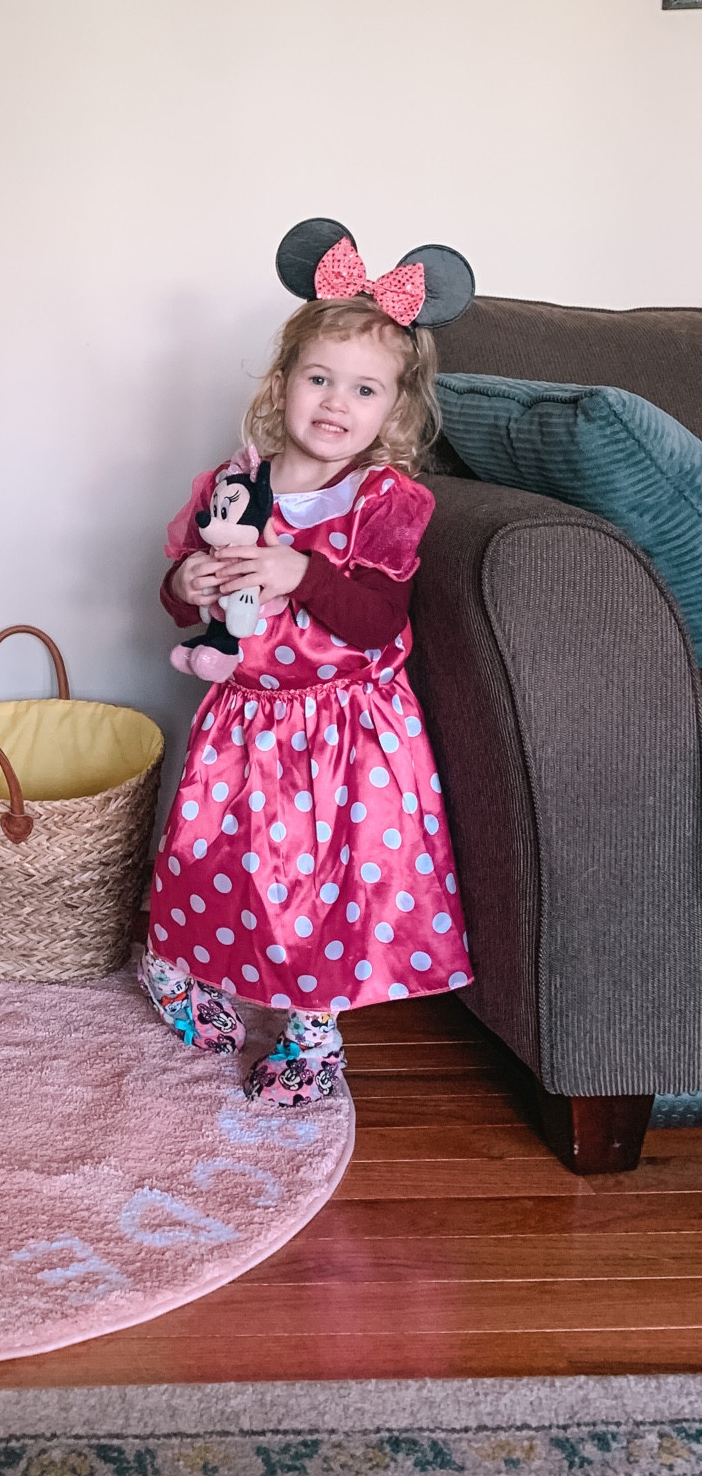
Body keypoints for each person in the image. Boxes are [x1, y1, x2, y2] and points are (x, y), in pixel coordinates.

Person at [140, 219, 478, 1105]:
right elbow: (180, 601)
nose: (336, 402)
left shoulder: (385, 500)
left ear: (394, 411)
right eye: (319, 378)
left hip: (346, 729)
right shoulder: (235, 482)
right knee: (213, 861)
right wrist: (190, 578)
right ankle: (180, 968)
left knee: (324, 888)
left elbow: (376, 619)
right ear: (283, 384)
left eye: (364, 389)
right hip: (244, 718)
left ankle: (313, 1034)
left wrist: (302, 570)